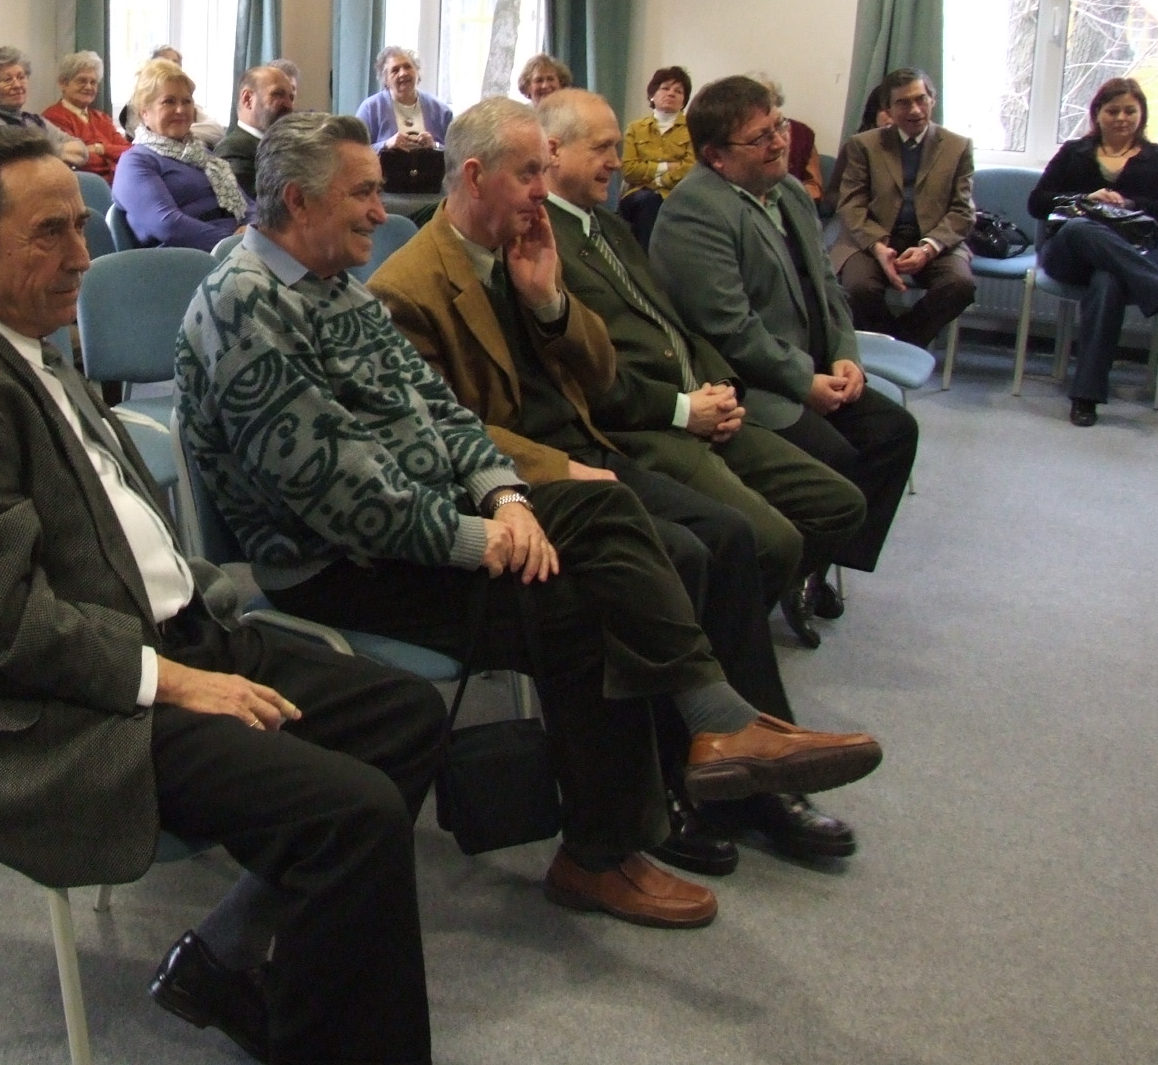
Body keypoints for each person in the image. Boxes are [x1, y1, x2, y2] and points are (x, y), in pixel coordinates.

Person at [177, 112, 882, 930]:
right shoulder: (246, 304)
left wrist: (505, 497)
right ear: (299, 202)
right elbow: (342, 495)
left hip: (419, 524)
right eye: (362, 193)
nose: (380, 210)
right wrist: (483, 539)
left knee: (604, 507)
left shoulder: (330, 284)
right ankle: (607, 848)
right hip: (335, 565)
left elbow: (441, 412)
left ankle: (712, 728)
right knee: (581, 606)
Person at [0, 124, 448, 1065]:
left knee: (404, 717)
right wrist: (174, 680)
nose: (83, 256)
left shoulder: (35, 350)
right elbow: (1, 631)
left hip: (169, 639)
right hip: (61, 709)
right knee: (352, 812)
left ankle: (233, 965)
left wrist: (203, 616)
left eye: (79, 227)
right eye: (50, 233)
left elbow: (120, 527)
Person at [370, 97, 871, 869]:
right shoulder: (409, 286)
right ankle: (679, 781)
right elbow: (445, 430)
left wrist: (550, 301)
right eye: (529, 173)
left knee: (730, 537)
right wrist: (554, 468)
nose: (543, 190)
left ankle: (750, 764)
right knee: (682, 554)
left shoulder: (527, 246)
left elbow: (600, 374)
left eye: (545, 170)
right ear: (473, 176)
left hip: (586, 446)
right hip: (521, 477)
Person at [540, 89, 867, 615]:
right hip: (647, 424)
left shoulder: (606, 224)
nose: (617, 162)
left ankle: (737, 612)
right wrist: (685, 408)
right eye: (602, 148)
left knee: (841, 504)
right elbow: (585, 375)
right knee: (772, 541)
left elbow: (677, 323)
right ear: (553, 151)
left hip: (704, 400)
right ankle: (719, 637)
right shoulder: (540, 244)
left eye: (616, 146)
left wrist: (722, 388)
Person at [651, 76, 920, 645]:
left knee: (894, 433)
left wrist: (845, 356)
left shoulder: (789, 191)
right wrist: (805, 382)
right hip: (749, 384)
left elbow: (828, 286)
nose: (779, 142)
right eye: (761, 137)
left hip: (814, 369)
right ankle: (799, 566)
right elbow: (729, 328)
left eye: (779, 126)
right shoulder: (694, 212)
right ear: (716, 157)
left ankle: (813, 566)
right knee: (837, 456)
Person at [1028, 76, 1158, 426]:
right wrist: (1084, 199)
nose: (1121, 118)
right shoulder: (1073, 152)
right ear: (1097, 113)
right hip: (1070, 253)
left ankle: (1086, 397)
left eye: (1129, 111)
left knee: (1107, 280)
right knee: (1080, 227)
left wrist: (1130, 203)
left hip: (1134, 249)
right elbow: (1037, 203)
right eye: (1113, 111)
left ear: (1142, 114)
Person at [830, 69, 978, 350]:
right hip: (874, 236)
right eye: (903, 103)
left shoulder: (957, 147)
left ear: (933, 100)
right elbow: (851, 203)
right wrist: (877, 246)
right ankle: (892, 345)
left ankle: (901, 345)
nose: (915, 110)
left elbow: (963, 211)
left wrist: (928, 248)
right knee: (858, 288)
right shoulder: (863, 145)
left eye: (921, 99)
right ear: (887, 109)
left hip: (935, 238)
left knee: (960, 285)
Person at [114, 62, 251, 252]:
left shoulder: (202, 154)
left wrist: (256, 230)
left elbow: (248, 205)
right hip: (186, 258)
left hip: (237, 247)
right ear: (144, 112)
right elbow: (168, 225)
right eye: (169, 101)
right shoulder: (135, 162)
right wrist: (233, 242)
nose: (181, 110)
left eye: (187, 101)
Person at [618, 65, 694, 251]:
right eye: (665, 88)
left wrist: (658, 180)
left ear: (684, 100)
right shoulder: (635, 128)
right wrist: (668, 167)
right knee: (649, 202)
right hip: (639, 196)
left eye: (678, 91)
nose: (671, 93)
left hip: (678, 194)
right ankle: (645, 261)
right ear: (652, 94)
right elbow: (628, 169)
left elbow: (691, 167)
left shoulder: (693, 129)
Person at [0, 46, 92, 168]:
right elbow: (22, 161)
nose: (17, 85)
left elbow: (81, 151)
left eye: (21, 77)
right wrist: (58, 152)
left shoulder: (36, 120)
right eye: (7, 79)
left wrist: (41, 153)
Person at [40, 50, 131, 182]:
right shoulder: (53, 117)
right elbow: (81, 160)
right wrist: (113, 154)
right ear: (63, 83)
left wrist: (100, 148)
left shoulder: (102, 118)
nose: (88, 87)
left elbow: (130, 152)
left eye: (93, 82)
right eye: (82, 81)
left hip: (117, 183)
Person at [213, 64, 297, 198]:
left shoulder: (289, 145)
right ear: (248, 99)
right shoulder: (232, 150)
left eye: (291, 98)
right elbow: (251, 204)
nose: (288, 105)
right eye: (278, 94)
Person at [747, 72, 823, 204]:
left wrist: (787, 200)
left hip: (793, 204)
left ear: (777, 100)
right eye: (754, 98)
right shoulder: (740, 135)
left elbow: (814, 187)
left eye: (767, 97)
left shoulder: (803, 132)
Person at [358, 47, 451, 150]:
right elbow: (356, 150)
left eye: (408, 67)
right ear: (385, 79)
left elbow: (455, 153)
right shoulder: (370, 109)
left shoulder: (441, 111)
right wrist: (386, 145)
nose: (403, 73)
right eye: (395, 70)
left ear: (418, 72)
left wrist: (435, 145)